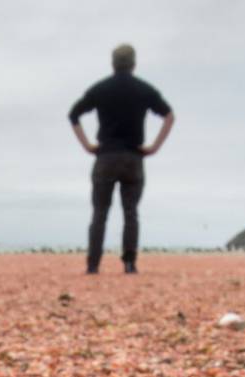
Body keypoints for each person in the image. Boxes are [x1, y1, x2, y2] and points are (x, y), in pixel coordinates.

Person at [68, 43, 174, 275]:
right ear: (133, 63)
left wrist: (86, 144)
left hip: (106, 156)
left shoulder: (101, 89)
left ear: (113, 63)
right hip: (133, 158)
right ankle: (129, 263)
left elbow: (73, 114)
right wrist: (154, 146)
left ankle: (93, 264)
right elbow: (169, 115)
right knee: (130, 212)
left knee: (100, 212)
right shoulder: (144, 90)